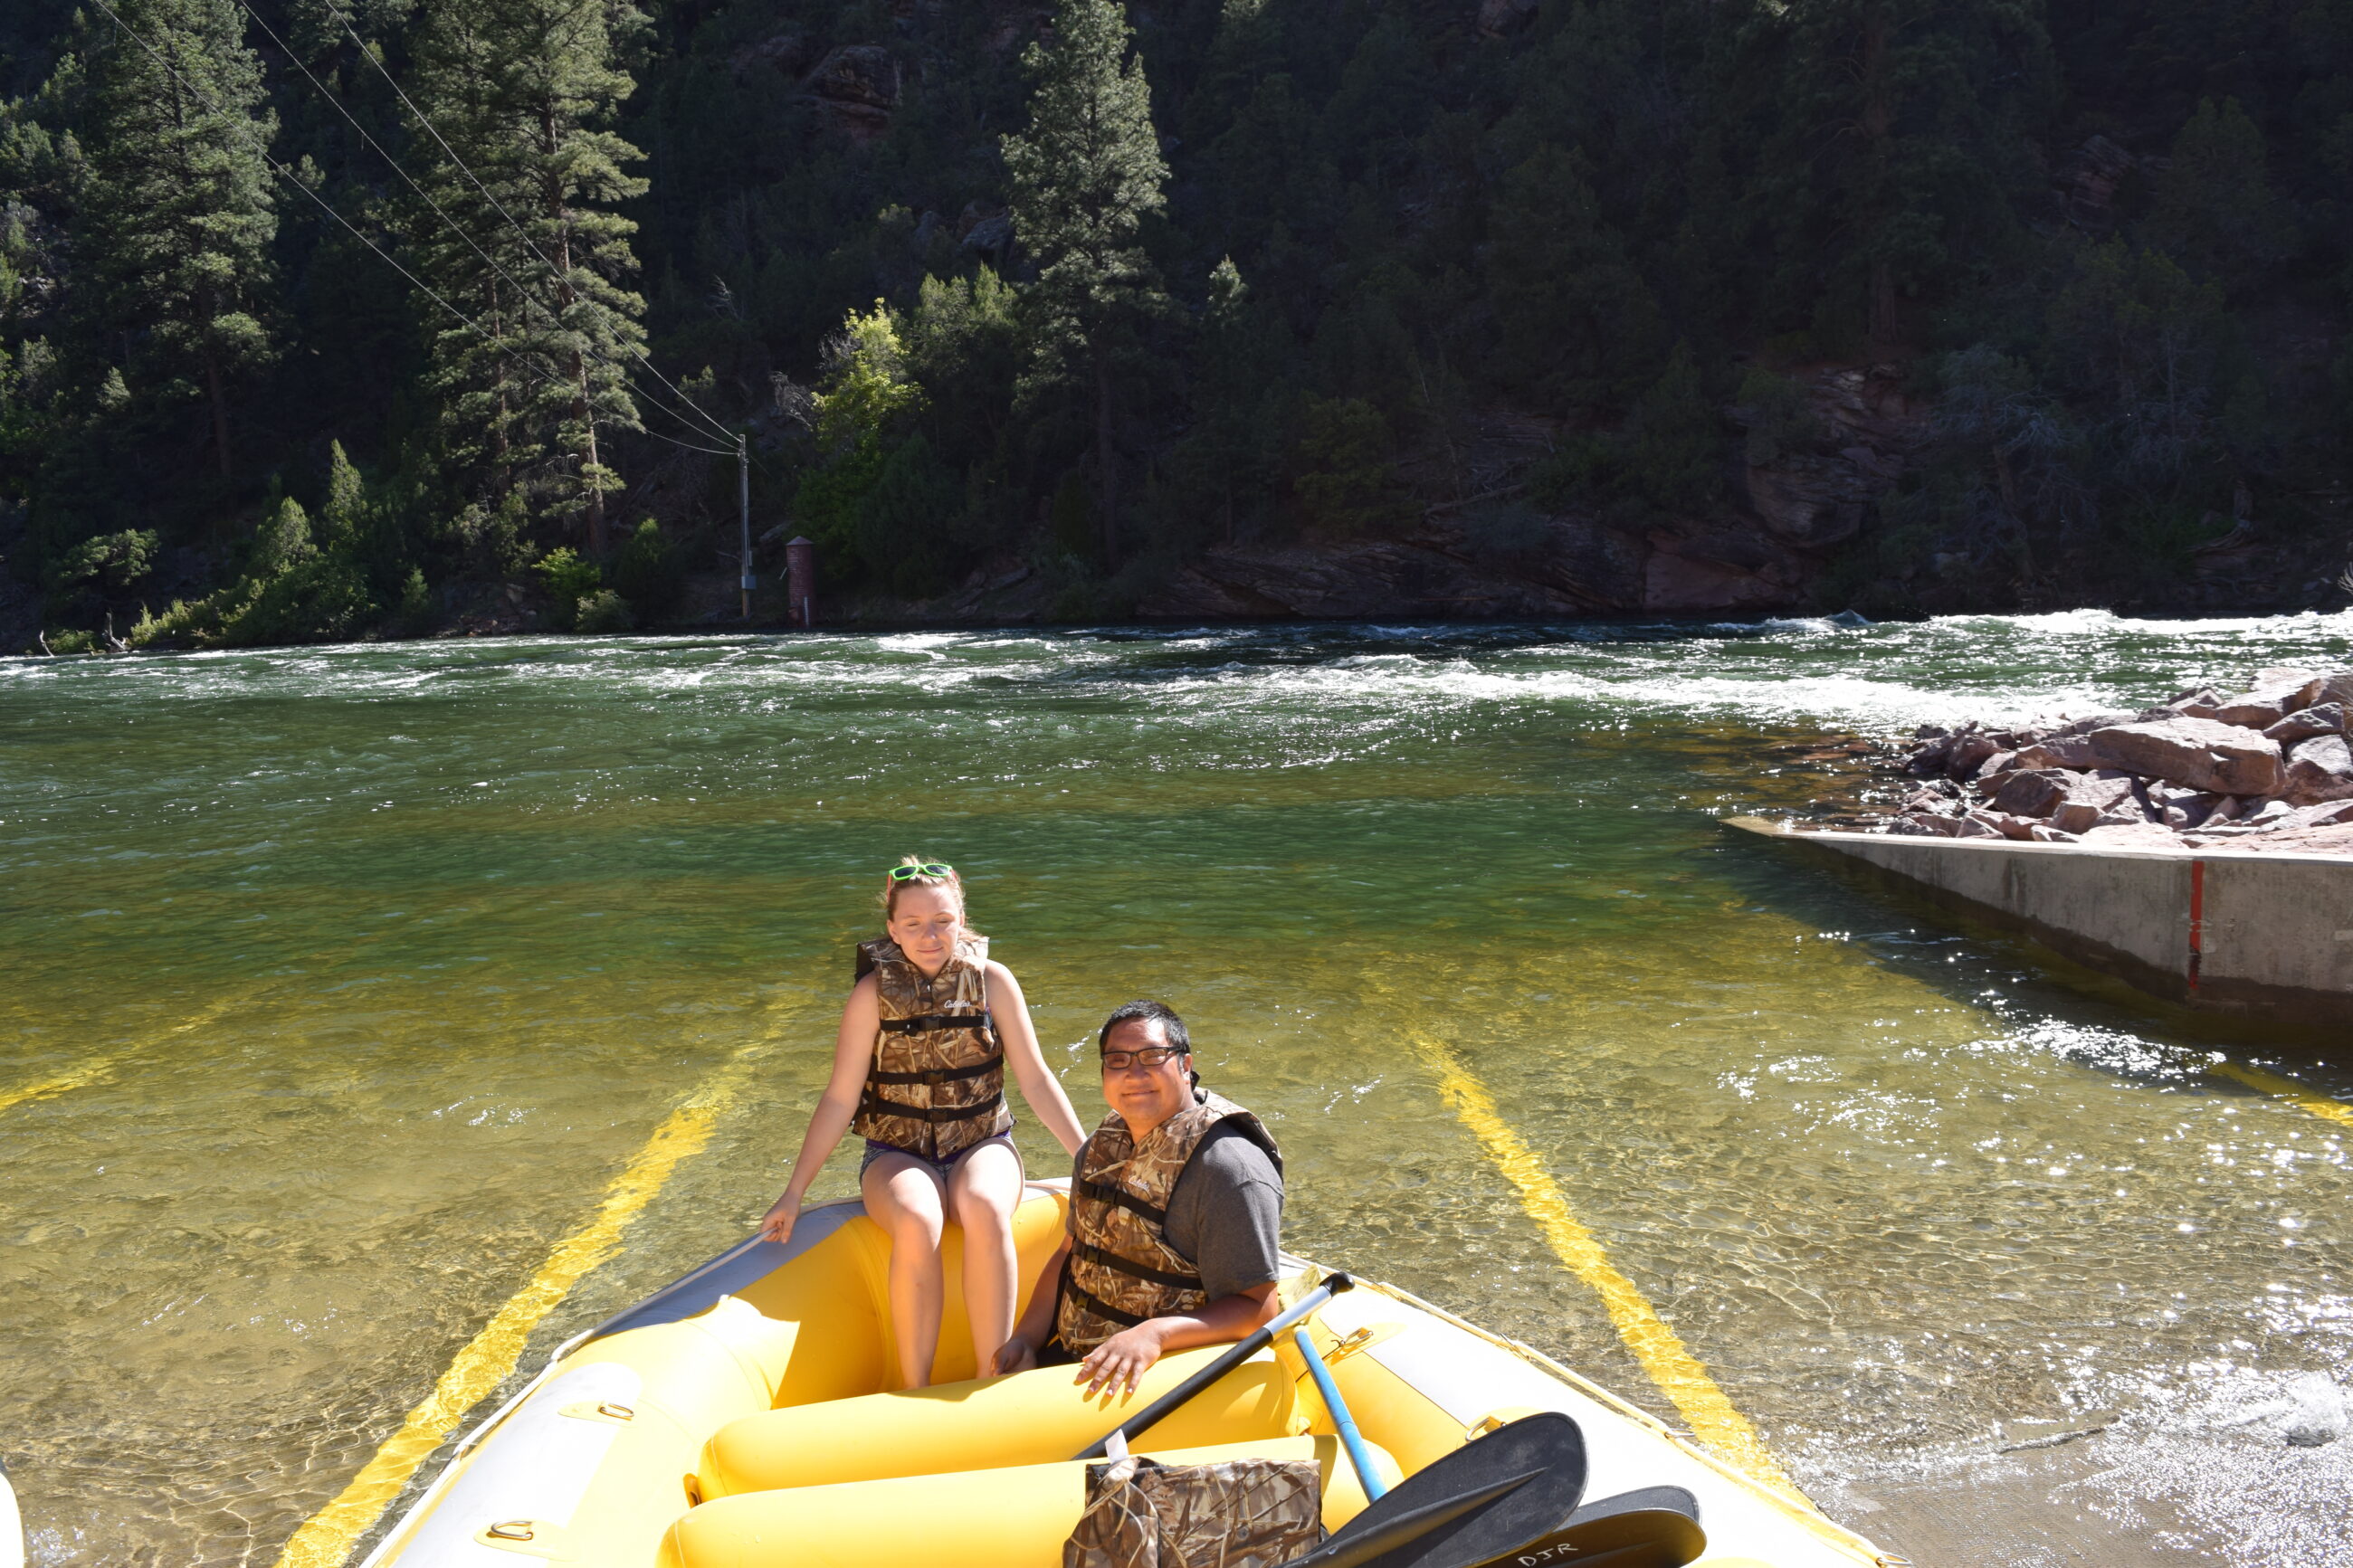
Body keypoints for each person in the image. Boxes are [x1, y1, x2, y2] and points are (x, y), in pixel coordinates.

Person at [760, 858, 1086, 1388]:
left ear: (961, 917)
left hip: (984, 1144)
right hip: (896, 1154)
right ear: (892, 929)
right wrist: (794, 1191)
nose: (929, 935)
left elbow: (1037, 1080)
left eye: (942, 920)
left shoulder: (992, 982)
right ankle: (915, 1387)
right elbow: (840, 1097)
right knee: (917, 1217)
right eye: (912, 924)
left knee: (982, 1205)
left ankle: (993, 1377)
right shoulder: (872, 995)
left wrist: (1087, 1157)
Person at [996, 999, 1286, 1397]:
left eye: (1152, 1056)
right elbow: (1071, 1252)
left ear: (1185, 1065)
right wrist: (1027, 1338)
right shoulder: (1101, 1148)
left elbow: (1259, 1309)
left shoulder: (1229, 1170)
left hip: (1161, 1375)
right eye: (1117, 1060)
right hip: (1075, 1358)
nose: (1134, 1073)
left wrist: (1155, 1335)